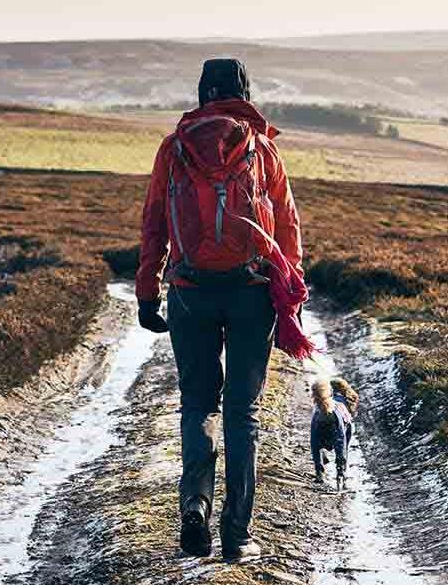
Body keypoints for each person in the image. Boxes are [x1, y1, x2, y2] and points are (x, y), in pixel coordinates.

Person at [135, 58, 306, 562]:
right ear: (244, 93)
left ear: (202, 93)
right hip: (252, 290)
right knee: (242, 413)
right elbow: (289, 229)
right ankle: (237, 534)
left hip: (190, 290)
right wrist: (290, 299)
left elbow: (153, 223)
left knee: (197, 405)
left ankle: (195, 507)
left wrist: (148, 291)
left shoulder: (174, 147)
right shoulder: (262, 148)